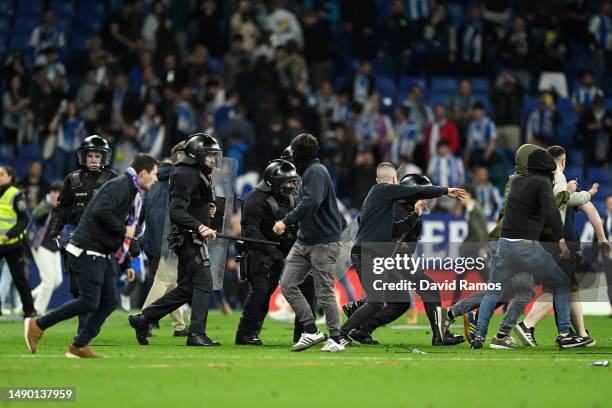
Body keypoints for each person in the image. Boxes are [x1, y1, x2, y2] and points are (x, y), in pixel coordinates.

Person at [24, 154, 159, 358]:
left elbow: (116, 228)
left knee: (109, 300)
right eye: (154, 174)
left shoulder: (132, 191)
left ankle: (79, 345)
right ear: (142, 174)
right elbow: (100, 211)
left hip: (102, 251)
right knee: (89, 301)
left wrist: (125, 265)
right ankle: (37, 325)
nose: (156, 179)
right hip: (87, 248)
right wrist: (123, 230)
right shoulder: (120, 186)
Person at [469, 149, 590, 349]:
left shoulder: (516, 181)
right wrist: (560, 239)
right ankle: (565, 334)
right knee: (562, 283)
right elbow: (551, 211)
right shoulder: (542, 183)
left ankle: (480, 337)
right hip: (526, 247)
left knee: (492, 291)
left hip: (504, 246)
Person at [338, 162, 466, 345]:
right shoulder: (388, 198)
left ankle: (362, 327)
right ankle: (441, 335)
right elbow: (394, 238)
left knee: (401, 301)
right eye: (421, 196)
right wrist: (446, 190)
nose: (425, 201)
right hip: (380, 256)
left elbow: (400, 238)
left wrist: (414, 216)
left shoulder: (400, 208)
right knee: (424, 289)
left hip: (387, 258)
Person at [129, 133, 223, 347]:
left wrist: (207, 211)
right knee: (204, 283)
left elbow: (191, 205)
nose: (212, 159)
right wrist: (200, 225)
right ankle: (196, 334)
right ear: (197, 154)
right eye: (209, 155)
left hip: (190, 237)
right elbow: (176, 211)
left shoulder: (196, 171)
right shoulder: (186, 173)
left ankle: (143, 319)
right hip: (188, 239)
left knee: (186, 288)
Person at [273, 133, 344, 352]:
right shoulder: (310, 172)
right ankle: (311, 330)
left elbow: (311, 202)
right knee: (287, 284)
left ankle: (336, 339)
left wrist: (286, 221)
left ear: (299, 154)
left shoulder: (315, 171)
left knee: (324, 291)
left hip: (323, 241)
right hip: (305, 239)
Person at [47, 135, 118, 332]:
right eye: (90, 156)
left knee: (102, 288)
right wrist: (55, 228)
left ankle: (90, 324)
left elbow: (123, 209)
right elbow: (62, 209)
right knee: (78, 287)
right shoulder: (73, 179)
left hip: (102, 240)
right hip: (77, 238)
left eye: (97, 156)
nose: (94, 160)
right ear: (83, 157)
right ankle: (83, 327)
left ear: (104, 158)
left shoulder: (113, 179)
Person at [235, 159, 302, 345]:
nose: (291, 185)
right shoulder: (254, 200)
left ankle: (303, 332)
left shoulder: (291, 198)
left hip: (284, 252)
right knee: (260, 292)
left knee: (269, 292)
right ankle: (245, 333)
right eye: (287, 182)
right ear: (274, 182)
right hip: (259, 254)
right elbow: (250, 231)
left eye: (293, 181)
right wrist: (272, 252)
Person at [139, 143, 188, 337]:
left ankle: (179, 326)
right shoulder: (175, 182)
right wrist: (168, 244)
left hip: (155, 240)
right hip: (167, 241)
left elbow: (145, 213)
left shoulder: (157, 182)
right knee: (163, 282)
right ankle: (143, 319)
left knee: (172, 284)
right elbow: (162, 217)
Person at [0, 165, 35, 318]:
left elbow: (25, 219)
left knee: (20, 278)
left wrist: (9, 234)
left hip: (13, 244)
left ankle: (29, 311)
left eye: (1, 174)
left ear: (10, 177)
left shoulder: (16, 195)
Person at [30, 181, 64, 314]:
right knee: (48, 282)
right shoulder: (46, 204)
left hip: (54, 247)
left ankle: (29, 297)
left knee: (57, 281)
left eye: (58, 192)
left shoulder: (65, 206)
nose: (56, 195)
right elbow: (35, 214)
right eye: (54, 192)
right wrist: (49, 202)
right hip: (41, 245)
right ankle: (37, 311)